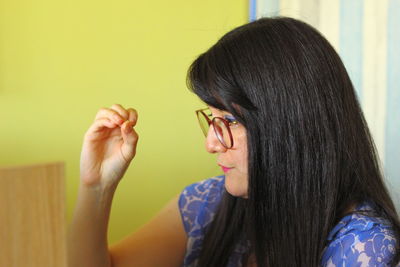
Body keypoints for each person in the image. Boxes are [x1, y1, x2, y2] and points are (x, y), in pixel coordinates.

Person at [68, 17, 400, 267]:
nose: (211, 143)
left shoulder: (364, 246)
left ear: (290, 126)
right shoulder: (207, 203)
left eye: (227, 121)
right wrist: (96, 186)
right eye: (211, 120)